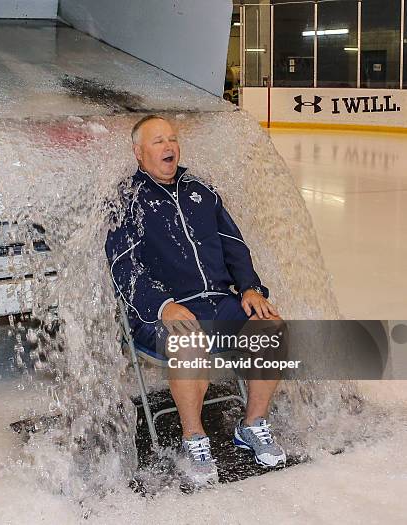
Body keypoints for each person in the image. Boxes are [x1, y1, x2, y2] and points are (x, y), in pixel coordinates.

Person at [105, 115, 286, 486]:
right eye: (158, 142)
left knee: (272, 327)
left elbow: (234, 246)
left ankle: (252, 424)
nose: (169, 146)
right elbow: (123, 265)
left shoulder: (200, 190)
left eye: (172, 139)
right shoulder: (126, 198)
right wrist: (162, 306)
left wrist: (250, 288)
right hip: (159, 311)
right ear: (138, 153)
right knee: (189, 341)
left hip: (219, 301)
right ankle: (194, 438)